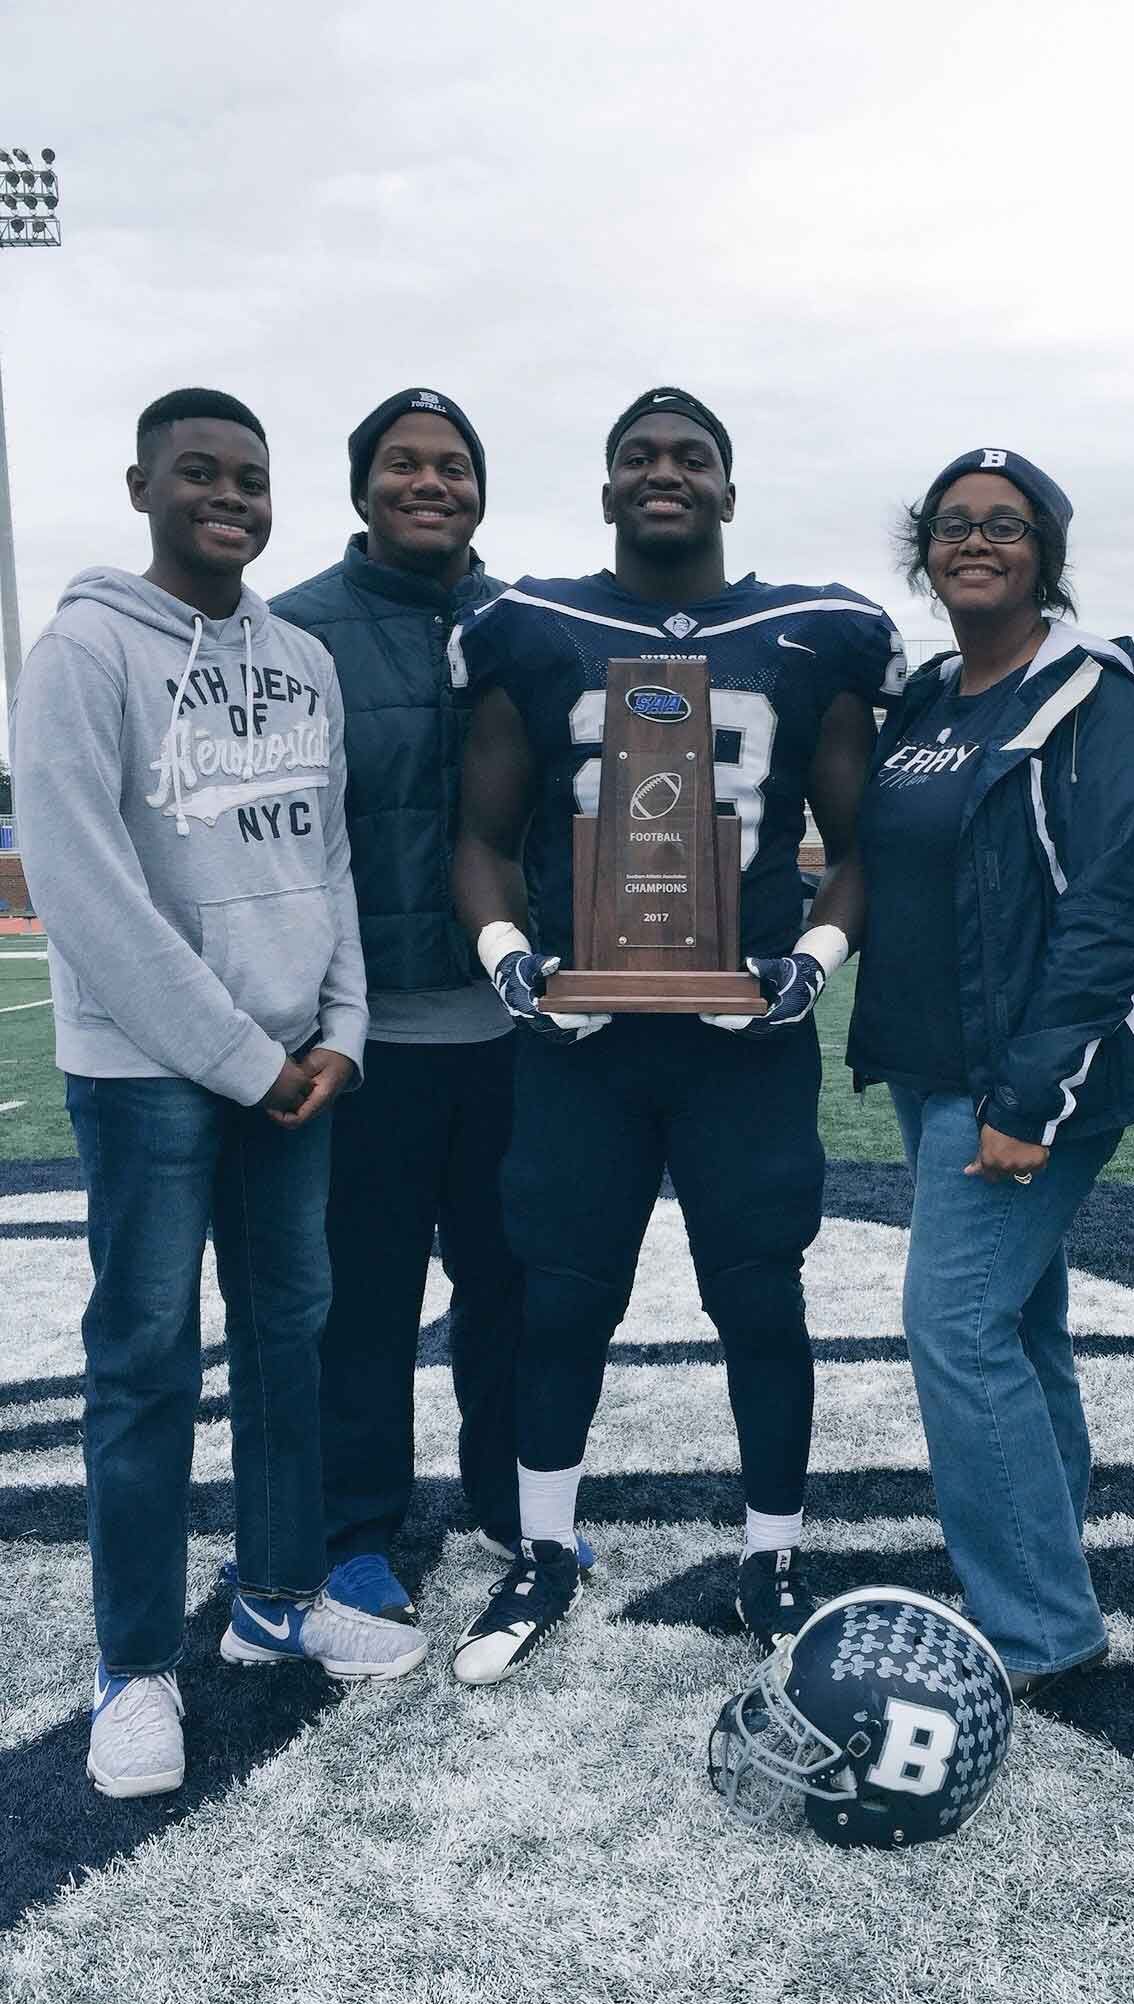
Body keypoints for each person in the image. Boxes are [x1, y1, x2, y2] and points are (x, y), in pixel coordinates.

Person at [449, 386, 906, 1681]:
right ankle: (544, 1550)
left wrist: (808, 965)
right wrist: (511, 962)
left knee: (761, 1296)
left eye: (692, 457)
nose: (666, 472)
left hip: (743, 1036)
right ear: (604, 490)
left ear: (728, 488)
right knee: (562, 1298)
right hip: (584, 1036)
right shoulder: (529, 626)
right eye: (639, 457)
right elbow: (481, 838)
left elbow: (863, 847)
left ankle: (772, 1553)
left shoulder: (815, 633)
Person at [11, 390, 428, 1801]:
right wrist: (248, 1060)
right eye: (200, 472)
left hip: (296, 1069)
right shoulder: (79, 651)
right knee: (141, 1361)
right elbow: (84, 893)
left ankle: (275, 1596)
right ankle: (135, 1665)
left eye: (250, 476)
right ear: (141, 484)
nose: (230, 495)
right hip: (153, 1079)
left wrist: (345, 1032)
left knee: (288, 1344)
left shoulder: (299, 657)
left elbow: (330, 868)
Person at [845, 447, 1134, 1699]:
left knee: (955, 1327)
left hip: (1031, 1077)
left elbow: (1109, 907)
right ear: (923, 550)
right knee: (1022, 1327)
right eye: (951, 524)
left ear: (1048, 551)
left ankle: (1036, 1625)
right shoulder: (930, 698)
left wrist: (1031, 1096)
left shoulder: (1092, 693)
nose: (975, 540)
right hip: (936, 1068)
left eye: (1006, 525)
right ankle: (1044, 1575)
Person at [271, 389, 590, 1622]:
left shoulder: (536, 629)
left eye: (453, 465)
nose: (430, 482)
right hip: (366, 1038)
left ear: (482, 488)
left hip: (516, 1029)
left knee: (514, 1285)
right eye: (403, 464)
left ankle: (515, 1503)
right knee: (364, 1295)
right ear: (361, 489)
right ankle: (358, 1524)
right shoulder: (294, 633)